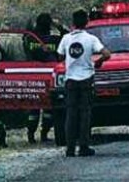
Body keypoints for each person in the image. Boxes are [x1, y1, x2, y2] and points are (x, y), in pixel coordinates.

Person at [57, 9, 111, 158]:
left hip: (70, 80)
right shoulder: (91, 39)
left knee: (71, 113)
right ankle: (84, 146)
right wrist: (97, 62)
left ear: (73, 23)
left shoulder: (66, 39)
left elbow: (60, 55)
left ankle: (70, 148)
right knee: (85, 113)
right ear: (86, 22)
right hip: (87, 78)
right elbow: (107, 54)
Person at [25, 13, 66, 143]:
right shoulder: (55, 39)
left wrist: (30, 28)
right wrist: (59, 26)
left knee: (33, 109)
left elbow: (24, 37)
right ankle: (44, 134)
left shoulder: (31, 39)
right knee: (49, 109)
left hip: (33, 78)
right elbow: (66, 36)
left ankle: (31, 136)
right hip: (49, 78)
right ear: (49, 25)